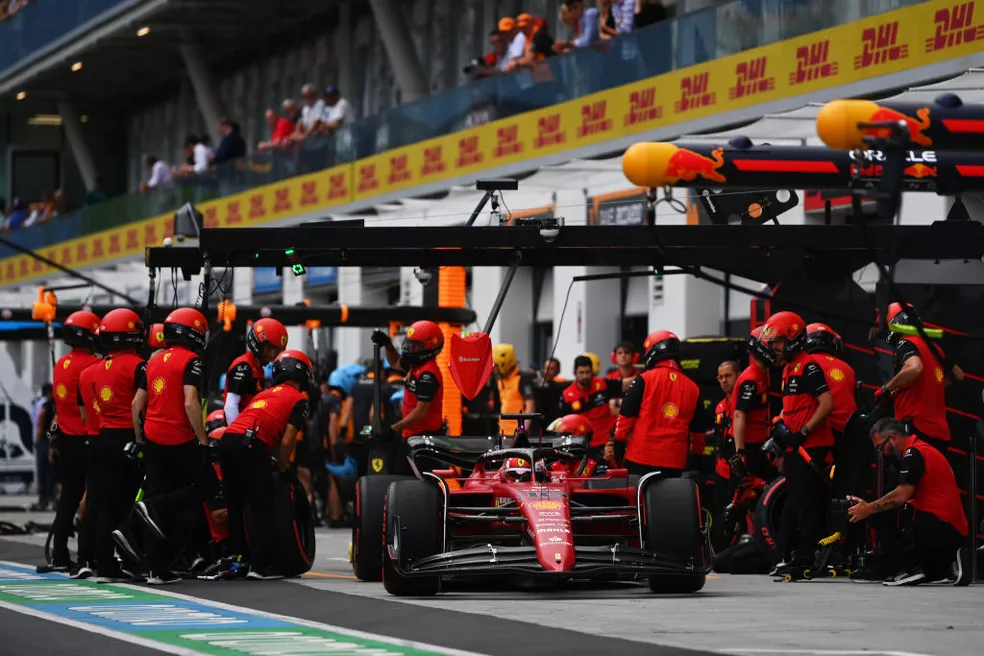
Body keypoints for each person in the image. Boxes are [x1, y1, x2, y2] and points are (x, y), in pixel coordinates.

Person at [211, 350, 312, 580]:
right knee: (259, 504)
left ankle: (238, 561)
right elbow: (287, 441)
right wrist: (282, 466)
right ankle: (260, 565)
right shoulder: (299, 399)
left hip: (227, 440)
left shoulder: (264, 394)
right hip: (251, 443)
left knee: (235, 505)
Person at [131, 307, 215, 585]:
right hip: (179, 439)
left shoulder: (153, 360)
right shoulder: (192, 361)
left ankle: (157, 569)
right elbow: (191, 401)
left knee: (160, 502)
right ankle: (154, 506)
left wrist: (140, 438)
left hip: (153, 439)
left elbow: (136, 405)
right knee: (206, 488)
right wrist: (202, 439)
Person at [848, 418, 971, 586]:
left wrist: (868, 509)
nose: (882, 453)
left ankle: (910, 567)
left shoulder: (914, 453)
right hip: (949, 527)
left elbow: (901, 496)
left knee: (883, 513)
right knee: (893, 506)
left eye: (880, 447)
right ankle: (942, 565)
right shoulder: (924, 450)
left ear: (893, 438)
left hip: (938, 524)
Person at [761, 311, 835, 577]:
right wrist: (780, 426)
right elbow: (791, 408)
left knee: (807, 504)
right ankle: (795, 555)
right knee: (797, 503)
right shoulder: (788, 369)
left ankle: (809, 557)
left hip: (810, 447)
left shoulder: (808, 366)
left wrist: (803, 431)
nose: (774, 347)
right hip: (794, 447)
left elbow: (827, 403)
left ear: (792, 337)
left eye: (778, 341)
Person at [83, 309, 146, 583]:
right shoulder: (139, 366)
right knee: (128, 504)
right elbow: (140, 407)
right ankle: (132, 561)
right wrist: (140, 440)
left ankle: (104, 565)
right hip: (127, 439)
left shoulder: (95, 370)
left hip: (102, 438)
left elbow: (92, 411)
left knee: (104, 505)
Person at [46, 311, 101, 574]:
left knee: (68, 499)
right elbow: (90, 407)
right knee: (93, 499)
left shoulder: (61, 365)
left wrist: (52, 439)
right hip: (87, 439)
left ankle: (59, 554)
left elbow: (59, 409)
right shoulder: (92, 365)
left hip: (66, 440)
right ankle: (87, 556)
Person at [612, 330, 704, 477]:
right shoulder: (693, 387)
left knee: (639, 499)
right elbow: (699, 431)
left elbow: (626, 415)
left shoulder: (643, 379)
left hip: (641, 458)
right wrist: (697, 457)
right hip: (675, 461)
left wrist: (618, 443)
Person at [877, 303, 961, 455]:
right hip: (940, 432)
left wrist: (887, 388)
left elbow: (915, 367)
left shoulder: (906, 343)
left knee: (911, 477)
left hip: (916, 427)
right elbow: (959, 375)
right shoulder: (935, 349)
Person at [372, 321, 446, 475]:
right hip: (411, 435)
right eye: (409, 344)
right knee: (399, 475)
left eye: (415, 346)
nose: (409, 349)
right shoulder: (415, 366)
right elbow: (394, 362)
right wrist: (387, 343)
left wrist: (393, 428)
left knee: (417, 482)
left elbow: (420, 413)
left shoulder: (428, 375)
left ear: (429, 348)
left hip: (425, 441)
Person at [728, 328, 775, 481]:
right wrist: (740, 452)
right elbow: (739, 414)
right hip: (746, 445)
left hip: (758, 443)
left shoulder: (763, 374)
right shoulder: (752, 378)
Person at [561, 355, 625, 465]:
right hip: (583, 445)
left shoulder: (604, 384)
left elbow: (625, 384)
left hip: (606, 443)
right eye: (581, 372)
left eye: (588, 372)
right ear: (575, 372)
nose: (585, 376)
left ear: (592, 371)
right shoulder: (567, 395)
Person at [223, 318, 288, 425]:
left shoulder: (257, 369)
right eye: (271, 349)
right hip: (241, 433)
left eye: (276, 352)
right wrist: (237, 436)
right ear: (259, 344)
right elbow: (231, 406)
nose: (273, 356)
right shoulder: (244, 366)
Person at [493, 344, 536, 436]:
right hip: (503, 431)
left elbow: (530, 405)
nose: (494, 369)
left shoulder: (522, 378)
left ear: (505, 363)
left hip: (517, 433)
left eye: (496, 365)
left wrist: (524, 429)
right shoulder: (500, 379)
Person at [34, 383, 56, 510]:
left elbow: (39, 421)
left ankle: (44, 498)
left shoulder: (43, 404)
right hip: (47, 440)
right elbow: (42, 419)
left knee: (43, 471)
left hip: (43, 439)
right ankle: (48, 497)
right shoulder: (49, 404)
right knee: (49, 470)